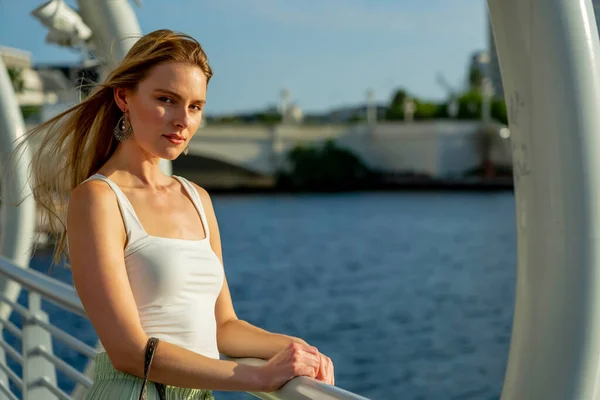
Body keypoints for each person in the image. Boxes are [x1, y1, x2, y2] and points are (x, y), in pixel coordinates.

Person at [21, 29, 334, 399]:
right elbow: (127, 352)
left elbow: (224, 327)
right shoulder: (99, 199)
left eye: (195, 106)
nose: (182, 120)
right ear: (124, 96)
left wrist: (296, 347)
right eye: (166, 99)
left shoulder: (197, 198)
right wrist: (256, 379)